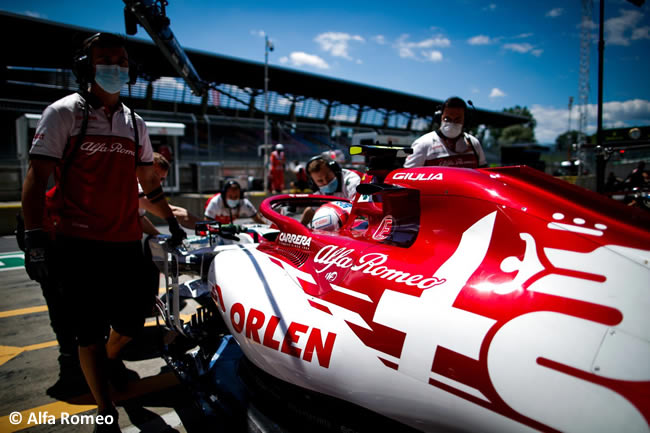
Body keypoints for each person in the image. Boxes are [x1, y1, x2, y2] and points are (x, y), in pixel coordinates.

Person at [21, 33, 186, 431]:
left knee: (132, 323)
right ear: (86, 67)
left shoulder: (136, 123)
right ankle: (105, 409)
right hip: (77, 245)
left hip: (125, 244)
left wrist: (172, 219)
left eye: (122, 60)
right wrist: (36, 240)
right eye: (106, 59)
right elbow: (36, 178)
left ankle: (111, 363)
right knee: (88, 333)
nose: (117, 67)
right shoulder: (63, 113)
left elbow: (149, 180)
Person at [404, 96, 487, 168]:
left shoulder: (474, 143)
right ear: (440, 118)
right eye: (447, 119)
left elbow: (484, 172)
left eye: (457, 119)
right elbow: (406, 177)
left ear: (465, 120)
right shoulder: (423, 144)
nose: (452, 123)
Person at [301, 155, 360, 226]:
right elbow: (311, 210)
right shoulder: (318, 190)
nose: (326, 182)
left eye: (328, 177)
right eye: (320, 181)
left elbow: (358, 210)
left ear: (334, 171)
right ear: (314, 183)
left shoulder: (352, 180)